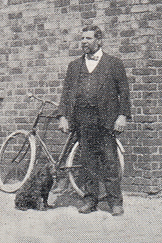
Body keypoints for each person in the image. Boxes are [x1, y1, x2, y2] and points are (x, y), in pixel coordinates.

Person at [59, 25, 130, 216]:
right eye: (82, 38)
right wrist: (63, 116)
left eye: (88, 38)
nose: (84, 42)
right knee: (87, 162)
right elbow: (66, 93)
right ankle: (90, 200)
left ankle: (115, 202)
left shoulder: (114, 63)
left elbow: (124, 92)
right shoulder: (74, 66)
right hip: (83, 120)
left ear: (99, 41)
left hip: (106, 120)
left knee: (109, 161)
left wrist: (122, 115)